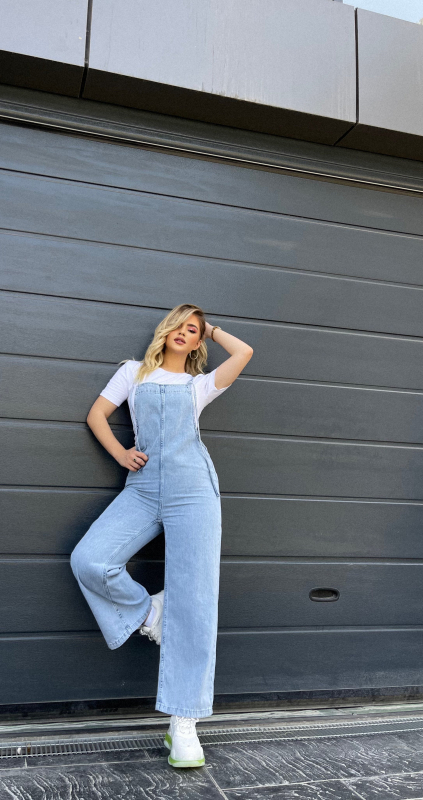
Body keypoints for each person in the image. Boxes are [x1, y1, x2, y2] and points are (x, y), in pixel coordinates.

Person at [70, 303, 254, 768]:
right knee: (90, 559)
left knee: (195, 599)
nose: (185, 332)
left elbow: (245, 352)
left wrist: (212, 328)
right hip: (144, 486)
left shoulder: (199, 385)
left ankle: (183, 724)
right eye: (180, 325)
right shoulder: (132, 373)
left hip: (193, 489)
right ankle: (151, 612)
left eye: (193, 330)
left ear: (197, 341)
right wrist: (121, 454)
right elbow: (97, 415)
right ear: (166, 330)